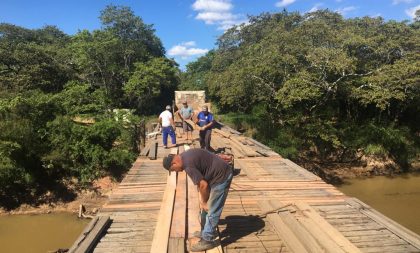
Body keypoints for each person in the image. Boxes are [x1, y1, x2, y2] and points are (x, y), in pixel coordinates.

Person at [162, 149, 233, 251]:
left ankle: (207, 240)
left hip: (221, 177)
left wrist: (203, 202)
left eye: (173, 170)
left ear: (174, 163)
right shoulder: (184, 156)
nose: (176, 172)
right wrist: (203, 199)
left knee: (213, 209)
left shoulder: (188, 166)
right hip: (214, 174)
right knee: (206, 204)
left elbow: (203, 185)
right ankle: (206, 230)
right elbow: (201, 182)